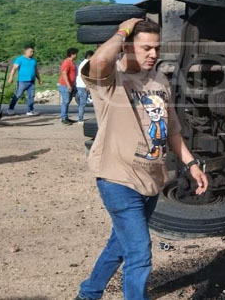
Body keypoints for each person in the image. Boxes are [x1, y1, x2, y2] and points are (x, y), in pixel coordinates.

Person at [76, 18, 207, 300]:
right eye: (146, 48)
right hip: (118, 178)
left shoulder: (160, 79)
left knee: (119, 246)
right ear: (127, 47)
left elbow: (172, 129)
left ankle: (88, 294)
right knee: (139, 252)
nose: (154, 54)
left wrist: (192, 164)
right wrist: (122, 30)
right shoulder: (112, 77)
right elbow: (99, 62)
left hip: (152, 179)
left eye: (157, 48)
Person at [6, 46, 42, 116]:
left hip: (31, 81)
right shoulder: (20, 59)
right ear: (25, 52)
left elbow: (36, 70)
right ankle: (10, 109)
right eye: (31, 51)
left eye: (33, 51)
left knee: (31, 96)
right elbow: (14, 69)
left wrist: (39, 79)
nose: (32, 53)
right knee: (18, 95)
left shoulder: (33, 60)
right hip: (22, 81)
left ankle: (30, 110)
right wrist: (11, 78)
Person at [58, 48, 79, 125]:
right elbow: (64, 73)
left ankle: (65, 117)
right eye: (75, 53)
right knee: (66, 101)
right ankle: (63, 118)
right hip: (65, 85)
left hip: (71, 85)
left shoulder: (72, 63)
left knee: (67, 101)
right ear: (72, 54)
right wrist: (68, 85)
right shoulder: (67, 62)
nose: (76, 55)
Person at [75, 50, 94, 123]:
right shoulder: (86, 64)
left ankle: (80, 118)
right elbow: (85, 76)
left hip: (79, 85)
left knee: (81, 103)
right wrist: (87, 85)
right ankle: (80, 119)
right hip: (83, 86)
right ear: (89, 56)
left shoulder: (82, 63)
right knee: (82, 103)